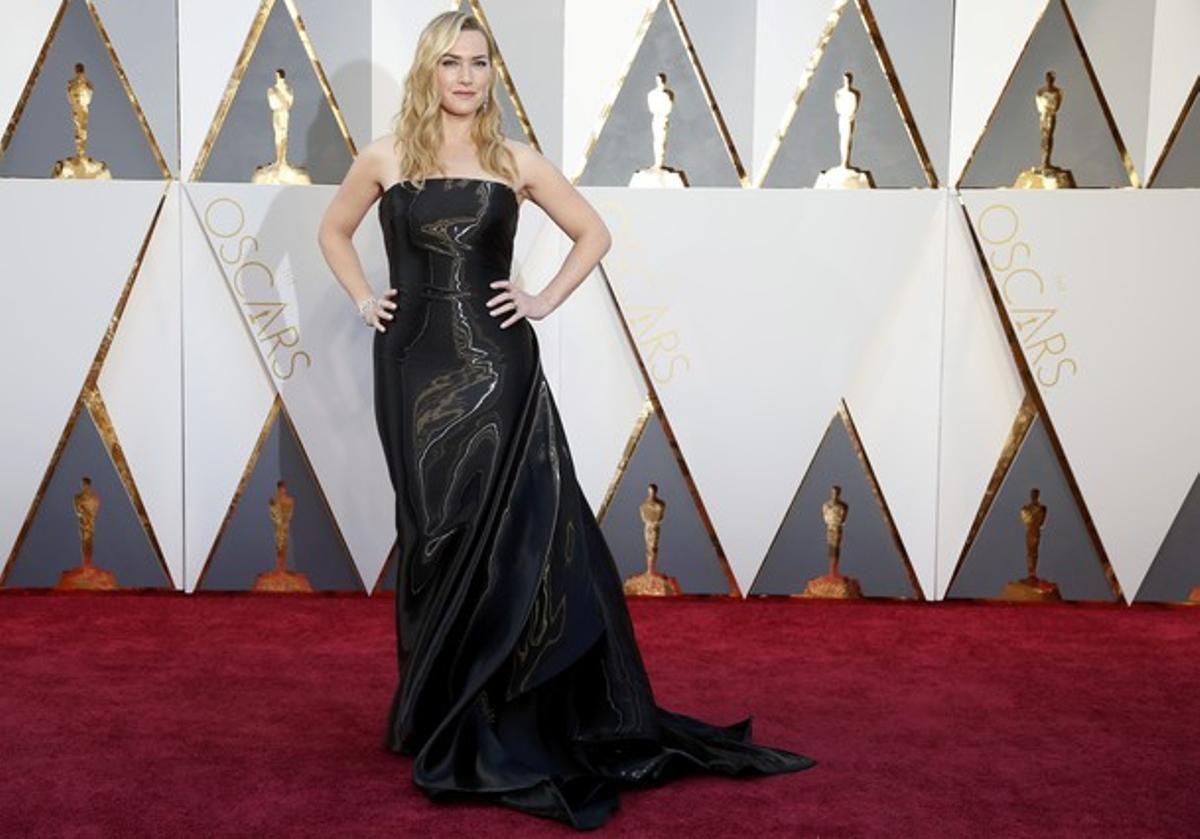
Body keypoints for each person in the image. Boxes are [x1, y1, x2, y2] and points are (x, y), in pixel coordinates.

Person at [317, 11, 813, 830]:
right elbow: (333, 230)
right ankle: (430, 706)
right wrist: (366, 297)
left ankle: (483, 708)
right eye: (452, 63)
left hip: (495, 368)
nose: (467, 77)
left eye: (479, 62)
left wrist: (541, 298)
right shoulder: (385, 159)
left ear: (490, 74)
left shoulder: (516, 161)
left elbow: (595, 232)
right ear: (428, 72)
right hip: (409, 366)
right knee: (431, 531)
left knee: (496, 533)